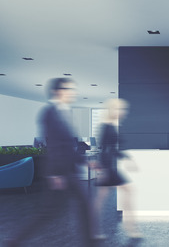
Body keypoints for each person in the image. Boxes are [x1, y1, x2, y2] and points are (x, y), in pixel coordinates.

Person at [4, 78, 96, 247]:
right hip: (60, 172)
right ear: (58, 91)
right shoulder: (49, 113)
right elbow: (53, 146)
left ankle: (91, 242)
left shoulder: (64, 112)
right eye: (69, 89)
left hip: (69, 171)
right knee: (49, 213)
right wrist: (55, 173)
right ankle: (15, 240)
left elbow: (68, 146)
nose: (73, 93)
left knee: (84, 204)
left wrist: (85, 161)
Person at [93, 98, 141, 239]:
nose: (121, 112)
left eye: (122, 109)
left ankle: (130, 228)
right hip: (107, 167)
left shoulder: (115, 125)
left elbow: (114, 149)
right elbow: (103, 149)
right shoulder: (106, 126)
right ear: (110, 110)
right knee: (100, 200)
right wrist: (102, 170)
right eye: (118, 109)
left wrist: (127, 158)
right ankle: (95, 230)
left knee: (102, 199)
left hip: (111, 166)